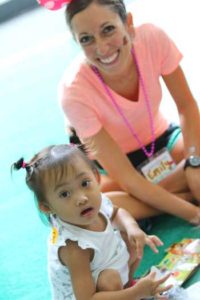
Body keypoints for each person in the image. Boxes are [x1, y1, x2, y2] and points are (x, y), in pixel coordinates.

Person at [37, 0, 200, 225]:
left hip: (166, 144)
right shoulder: (72, 91)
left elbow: (187, 106)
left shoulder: (152, 38)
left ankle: (143, 206)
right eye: (86, 39)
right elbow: (127, 179)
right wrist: (191, 211)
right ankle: (172, 197)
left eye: (108, 29)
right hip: (113, 174)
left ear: (128, 23)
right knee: (84, 208)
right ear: (76, 42)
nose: (102, 48)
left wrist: (194, 162)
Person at [13, 144, 171, 299]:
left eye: (84, 183)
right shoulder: (74, 248)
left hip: (102, 267)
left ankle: (127, 286)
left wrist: (133, 229)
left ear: (96, 177)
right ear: (47, 207)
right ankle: (129, 293)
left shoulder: (97, 202)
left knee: (129, 239)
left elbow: (117, 213)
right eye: (65, 194)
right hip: (89, 292)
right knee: (110, 279)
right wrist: (136, 293)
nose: (81, 198)